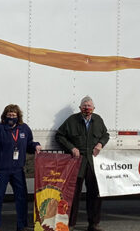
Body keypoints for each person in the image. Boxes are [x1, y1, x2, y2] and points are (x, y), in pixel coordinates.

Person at [56, 96, 110, 231]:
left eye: (89, 106)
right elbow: (59, 136)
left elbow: (106, 135)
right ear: (80, 108)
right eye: (84, 106)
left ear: (93, 108)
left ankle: (93, 224)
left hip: (92, 163)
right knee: (74, 194)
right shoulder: (72, 120)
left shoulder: (98, 120)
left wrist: (100, 144)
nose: (87, 108)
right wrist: (71, 148)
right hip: (77, 163)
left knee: (95, 194)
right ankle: (70, 224)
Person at [0, 104, 42, 231]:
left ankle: (22, 225)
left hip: (17, 170)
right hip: (1, 170)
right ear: (5, 116)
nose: (11, 117)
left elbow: (28, 144)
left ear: (18, 116)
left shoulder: (24, 129)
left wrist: (35, 146)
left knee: (22, 198)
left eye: (14, 115)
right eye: (9, 114)